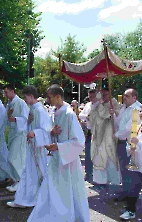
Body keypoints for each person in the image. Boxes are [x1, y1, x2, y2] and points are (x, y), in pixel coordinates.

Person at [27, 84, 90, 222]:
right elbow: (49, 130)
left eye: (49, 97)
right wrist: (51, 132)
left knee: (68, 191)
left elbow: (79, 141)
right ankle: (54, 214)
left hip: (68, 161)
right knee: (52, 189)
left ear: (58, 97)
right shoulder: (54, 112)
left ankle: (66, 216)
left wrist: (59, 147)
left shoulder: (69, 115)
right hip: (56, 159)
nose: (47, 100)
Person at [7, 86, 51, 208]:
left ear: (31, 96)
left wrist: (35, 133)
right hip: (32, 148)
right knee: (29, 175)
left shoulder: (40, 110)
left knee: (34, 175)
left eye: (25, 96)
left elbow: (47, 130)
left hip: (38, 150)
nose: (24, 99)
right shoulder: (32, 109)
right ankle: (23, 200)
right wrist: (28, 126)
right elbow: (30, 126)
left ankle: (31, 200)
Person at [113, 88, 142, 201]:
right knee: (123, 168)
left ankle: (132, 194)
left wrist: (115, 135)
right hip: (121, 140)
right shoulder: (123, 107)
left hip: (130, 143)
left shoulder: (137, 109)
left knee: (131, 170)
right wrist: (113, 114)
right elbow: (118, 121)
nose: (124, 98)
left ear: (134, 98)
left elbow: (128, 128)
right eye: (124, 95)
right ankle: (126, 191)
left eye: (127, 96)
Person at [89, 88, 121, 186]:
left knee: (109, 156)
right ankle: (100, 181)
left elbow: (119, 118)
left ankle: (114, 180)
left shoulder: (114, 104)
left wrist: (113, 113)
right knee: (98, 156)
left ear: (110, 95)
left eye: (105, 95)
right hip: (98, 135)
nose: (103, 97)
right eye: (101, 95)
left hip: (109, 135)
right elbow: (92, 117)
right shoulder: (98, 105)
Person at [2, 84, 29, 192]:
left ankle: (20, 181)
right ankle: (17, 180)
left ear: (13, 91)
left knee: (15, 158)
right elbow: (6, 119)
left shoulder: (21, 102)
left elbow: (26, 118)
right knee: (12, 158)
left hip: (20, 133)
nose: (5, 94)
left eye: (7, 92)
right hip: (13, 132)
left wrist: (15, 119)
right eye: (5, 92)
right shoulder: (9, 103)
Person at [79, 89, 99, 183]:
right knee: (88, 153)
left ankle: (97, 175)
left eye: (93, 96)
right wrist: (86, 116)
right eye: (90, 96)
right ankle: (88, 173)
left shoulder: (100, 105)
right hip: (90, 131)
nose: (91, 98)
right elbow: (81, 115)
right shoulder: (87, 105)